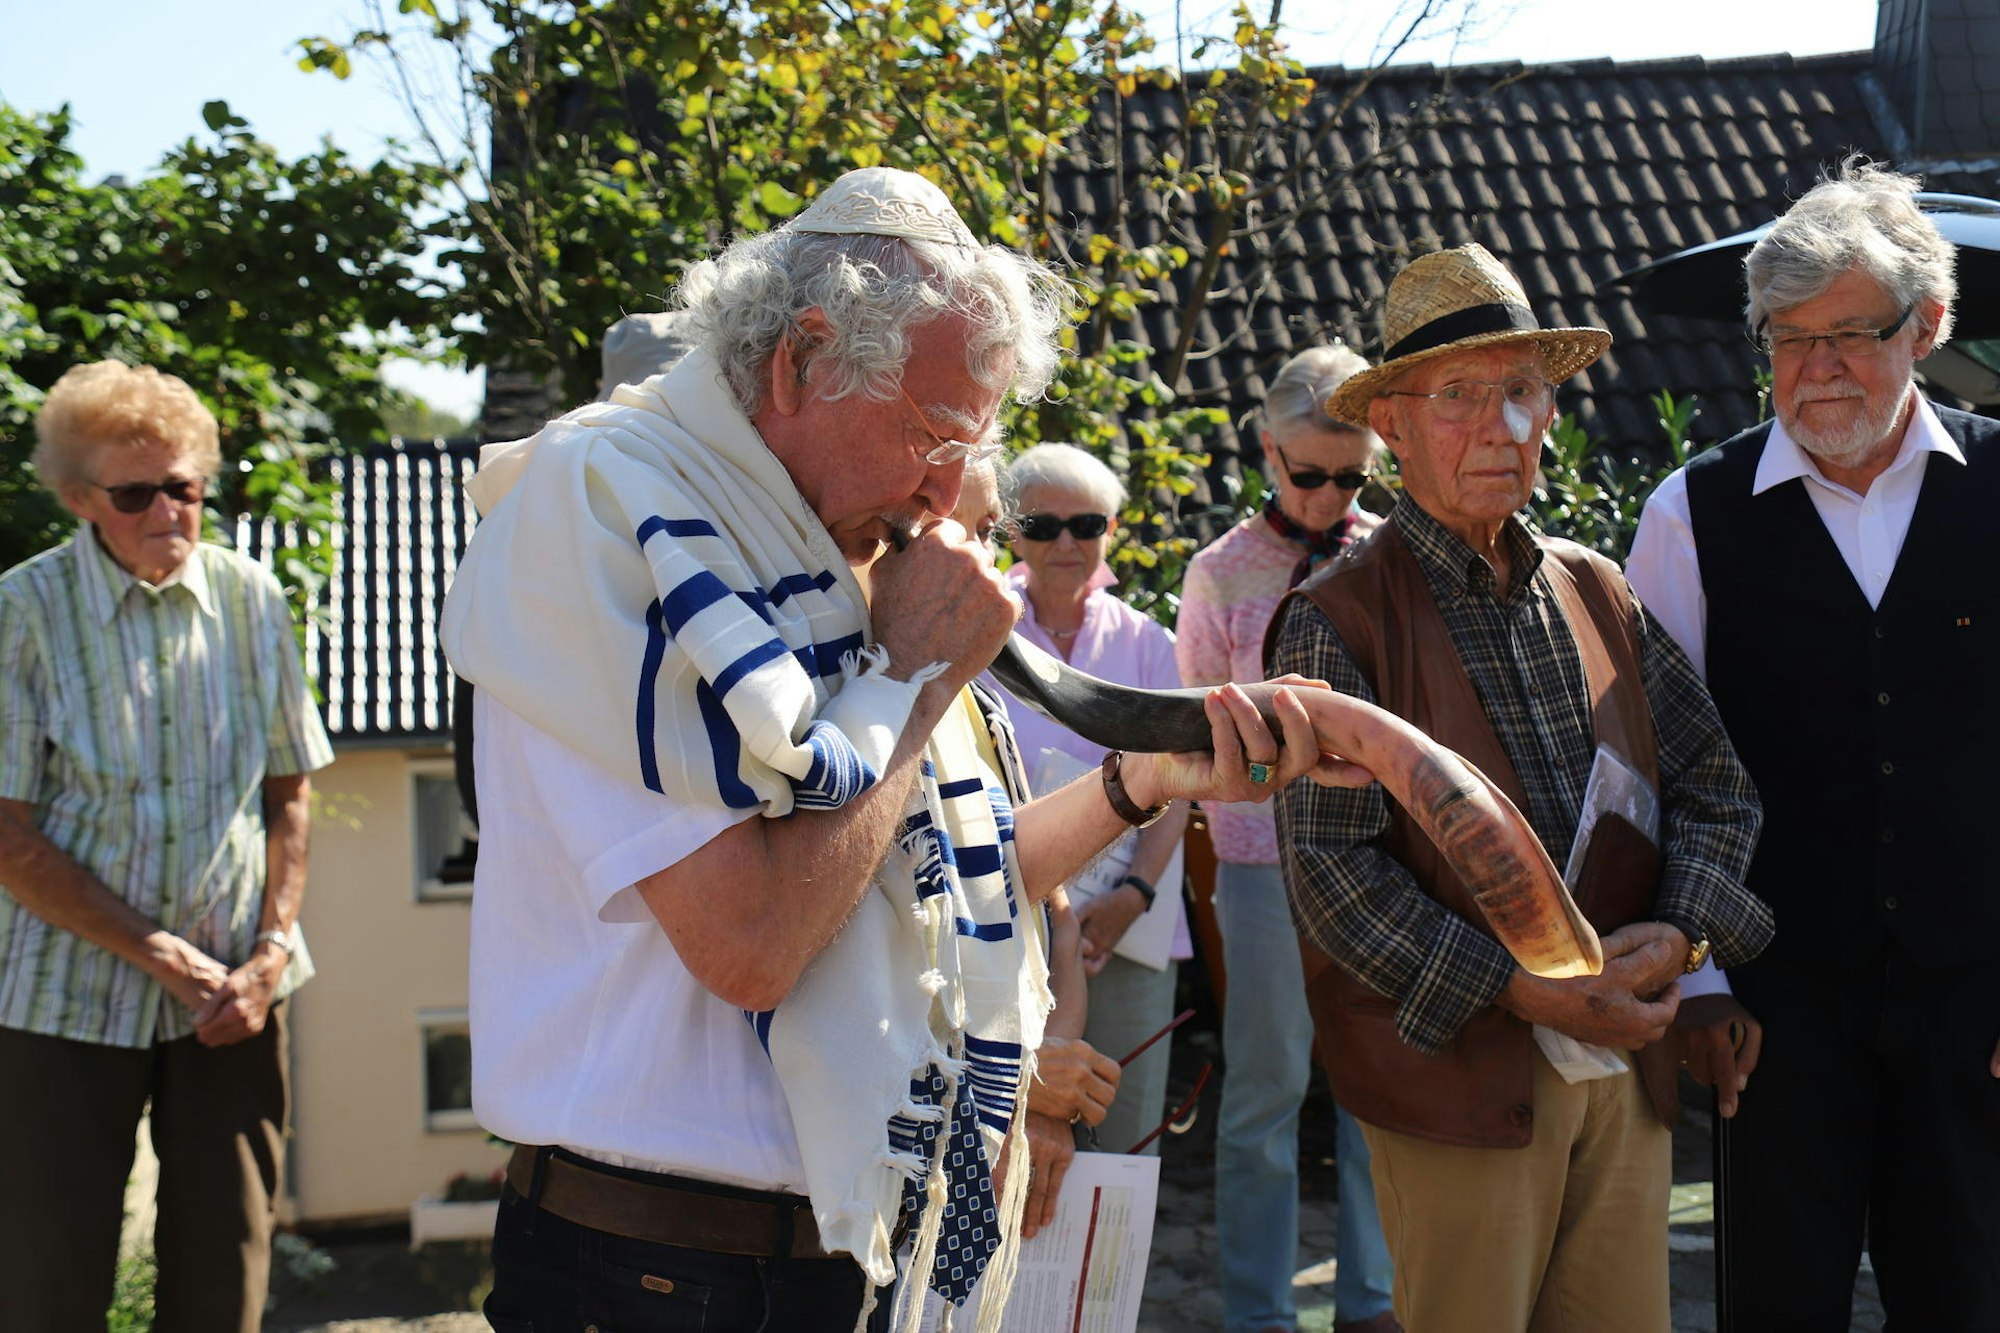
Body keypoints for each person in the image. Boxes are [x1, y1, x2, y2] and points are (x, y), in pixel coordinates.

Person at [439, 167, 1340, 1333]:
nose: (950, 488)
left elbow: (933, 877)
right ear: (799, 360)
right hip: (659, 1270)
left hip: (852, 1253)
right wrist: (911, 676)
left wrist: (1141, 781)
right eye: (929, 433)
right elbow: (755, 941)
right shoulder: (601, 517)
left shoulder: (833, 549)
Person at [1266, 243, 1773, 1333]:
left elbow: (1717, 788)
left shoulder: (1597, 591)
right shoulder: (1337, 616)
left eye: (1522, 391)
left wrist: (1680, 933)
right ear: (1389, 427)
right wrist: (1522, 985)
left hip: (1621, 1075)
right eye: (1456, 396)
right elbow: (1330, 875)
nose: (1499, 427)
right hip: (1455, 1086)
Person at [1627, 160, 2000, 1330]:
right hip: (1771, 1013)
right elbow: (1646, 771)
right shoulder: (1689, 513)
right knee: (1776, 1305)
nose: (1816, 368)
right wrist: (1694, 978)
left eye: (1849, 334)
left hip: (1974, 1005)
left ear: (1927, 326)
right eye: (1786, 339)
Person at [0, 360, 334, 1332]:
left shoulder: (253, 598)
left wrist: (269, 952)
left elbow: (291, 791)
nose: (167, 512)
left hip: (235, 998)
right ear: (78, 498)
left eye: (183, 486)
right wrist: (159, 953)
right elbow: (7, 832)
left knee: (223, 1281)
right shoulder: (22, 611)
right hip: (61, 1001)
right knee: (44, 1285)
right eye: (135, 493)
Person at [1177, 345, 1397, 1333]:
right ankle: (1257, 1315)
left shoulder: (1393, 558)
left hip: (1376, 866)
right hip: (1261, 868)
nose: (1323, 497)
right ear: (1265, 450)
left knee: (1374, 1097)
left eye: (1347, 476)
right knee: (1264, 1097)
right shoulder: (1217, 573)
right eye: (1305, 473)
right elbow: (1189, 740)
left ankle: (1372, 1304)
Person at [991, 442, 1190, 1159]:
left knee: (1125, 1131)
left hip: (1127, 924)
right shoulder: (980, 633)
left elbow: (1182, 785)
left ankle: (1111, 1276)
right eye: (1043, 525)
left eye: (1087, 524)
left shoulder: (1150, 642)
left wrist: (1132, 894)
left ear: (1112, 529)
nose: (1067, 542)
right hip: (1009, 918)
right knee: (1006, 1136)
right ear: (1011, 532)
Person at [950, 460, 1120, 1243]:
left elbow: (1051, 914)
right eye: (955, 532)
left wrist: (1047, 1081)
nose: (980, 564)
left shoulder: (980, 697)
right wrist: (1023, 1083)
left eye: (984, 535)